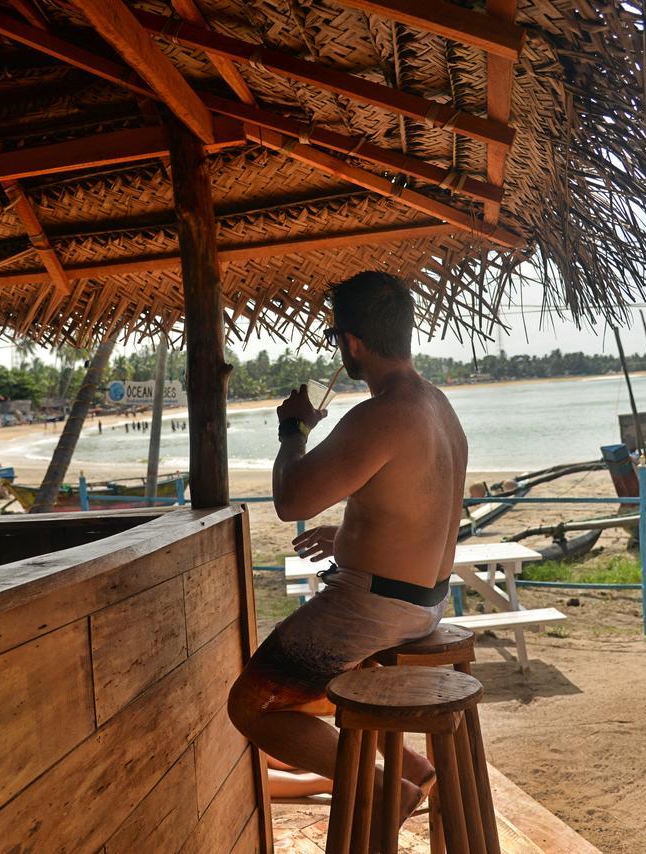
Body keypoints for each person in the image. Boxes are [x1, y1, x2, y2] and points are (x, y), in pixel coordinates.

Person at [228, 271, 468, 830]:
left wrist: (292, 430)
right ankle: (411, 766)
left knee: (252, 706)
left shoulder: (380, 414)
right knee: (335, 681)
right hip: (425, 602)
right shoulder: (439, 406)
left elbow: (291, 500)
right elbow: (426, 507)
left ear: (353, 343)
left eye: (339, 338)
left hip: (374, 611)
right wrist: (350, 537)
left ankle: (390, 791)